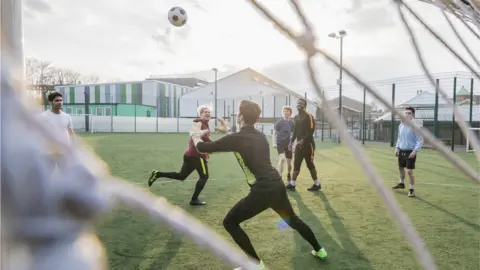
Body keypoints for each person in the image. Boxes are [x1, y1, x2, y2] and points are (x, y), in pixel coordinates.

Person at [190, 100, 328, 270]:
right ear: (256, 118)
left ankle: (255, 265)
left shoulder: (238, 138)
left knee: (230, 223)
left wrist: (195, 134)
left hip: (262, 191)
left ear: (240, 116)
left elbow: (204, 148)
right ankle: (320, 250)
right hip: (276, 185)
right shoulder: (258, 135)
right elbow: (240, 142)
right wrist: (228, 131)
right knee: (293, 220)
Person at [147, 105, 228, 206]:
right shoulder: (199, 123)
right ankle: (194, 199)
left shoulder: (206, 125)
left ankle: (157, 174)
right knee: (204, 176)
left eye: (209, 112)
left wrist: (220, 130)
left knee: (181, 176)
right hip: (197, 156)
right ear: (200, 114)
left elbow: (208, 140)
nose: (207, 113)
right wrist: (215, 145)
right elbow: (200, 135)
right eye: (205, 112)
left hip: (189, 155)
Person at [285, 98, 321, 192]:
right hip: (299, 146)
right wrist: (291, 141)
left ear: (305, 105)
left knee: (310, 165)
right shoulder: (296, 117)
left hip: (309, 145)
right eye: (297, 103)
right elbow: (295, 132)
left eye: (301, 103)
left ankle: (317, 184)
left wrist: (303, 140)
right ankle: (292, 184)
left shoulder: (309, 116)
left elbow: (311, 131)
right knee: (296, 164)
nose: (298, 105)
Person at [392, 107, 424, 197]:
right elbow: (399, 138)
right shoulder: (401, 125)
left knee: (409, 171)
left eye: (409, 113)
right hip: (401, 150)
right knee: (401, 168)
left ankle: (411, 190)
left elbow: (420, 140)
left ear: (412, 115)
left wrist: (414, 151)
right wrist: (397, 148)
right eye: (406, 113)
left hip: (410, 151)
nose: (407, 114)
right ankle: (401, 183)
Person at [40, 91, 75, 171]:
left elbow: (71, 133)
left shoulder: (67, 117)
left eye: (61, 100)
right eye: (57, 100)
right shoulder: (43, 116)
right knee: (46, 175)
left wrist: (73, 146)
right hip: (48, 153)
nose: (60, 102)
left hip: (64, 153)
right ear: (50, 102)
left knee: (66, 175)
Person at [272, 106, 294, 181]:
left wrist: (294, 145)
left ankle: (288, 173)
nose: (286, 112)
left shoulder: (292, 123)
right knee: (281, 159)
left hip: (289, 145)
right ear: (283, 113)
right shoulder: (279, 122)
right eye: (284, 111)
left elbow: (294, 135)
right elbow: (274, 133)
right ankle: (279, 177)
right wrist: (274, 143)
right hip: (280, 143)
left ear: (290, 113)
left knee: (289, 164)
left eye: (287, 111)